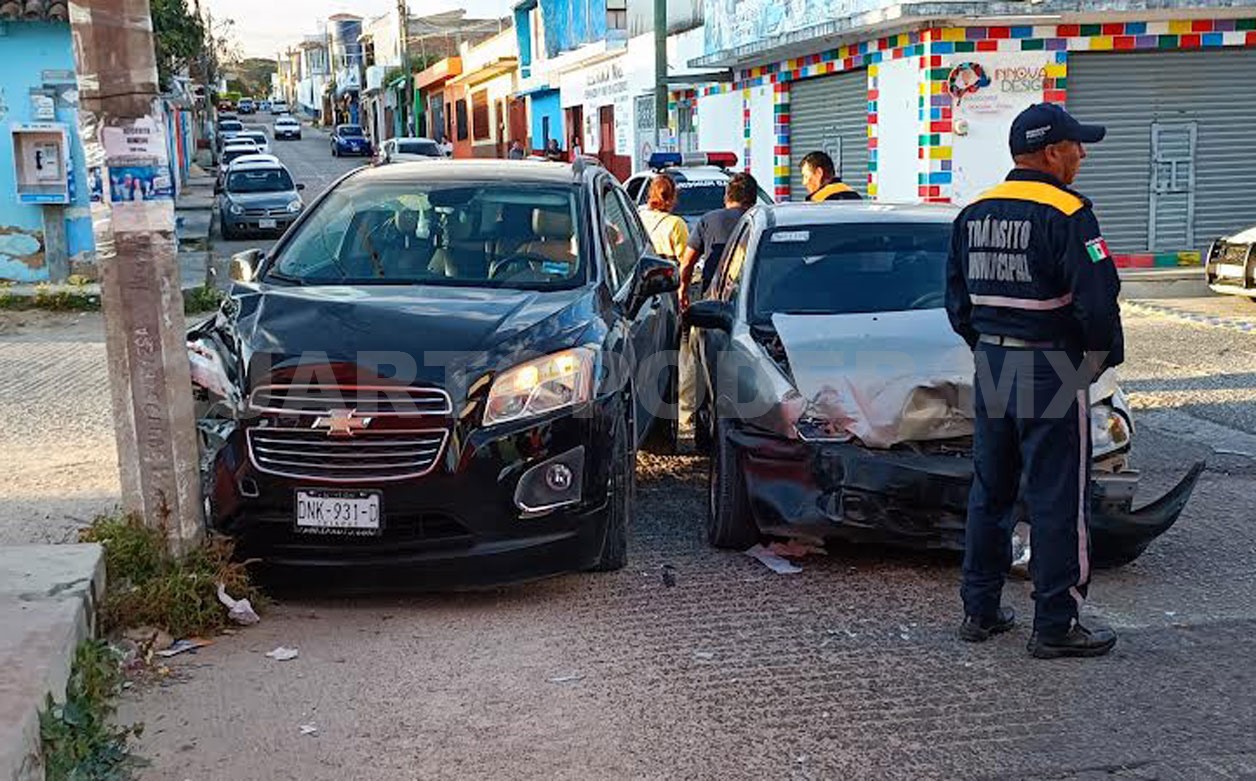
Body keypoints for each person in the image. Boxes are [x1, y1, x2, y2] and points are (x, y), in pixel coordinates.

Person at [945, 103, 1124, 660]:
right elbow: (1098, 302)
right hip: (1051, 366)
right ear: (1051, 153)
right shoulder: (1068, 212)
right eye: (1076, 145)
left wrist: (988, 346)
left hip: (994, 363)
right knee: (1056, 496)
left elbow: (957, 303)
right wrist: (1097, 361)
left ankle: (980, 609)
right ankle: (1055, 622)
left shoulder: (974, 210)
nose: (1082, 153)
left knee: (991, 489)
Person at [675, 172, 759, 450]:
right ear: (753, 199)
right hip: (752, 305)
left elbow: (687, 263)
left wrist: (683, 291)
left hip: (713, 303)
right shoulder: (759, 221)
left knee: (703, 365)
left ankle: (703, 434)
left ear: (727, 197)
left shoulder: (708, 221)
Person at [637, 175, 689, 260]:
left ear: (650, 194)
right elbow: (685, 261)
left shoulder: (639, 217)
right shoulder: (676, 224)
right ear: (673, 196)